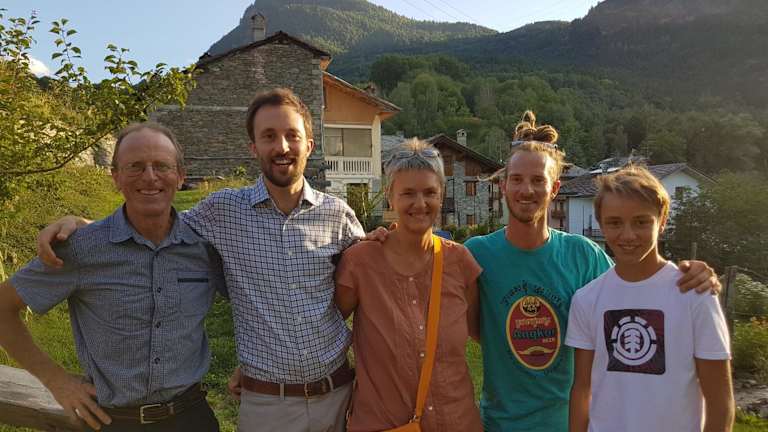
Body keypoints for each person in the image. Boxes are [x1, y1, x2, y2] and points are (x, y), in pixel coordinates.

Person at [36, 88, 363, 432]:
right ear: (253, 147)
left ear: (309, 145)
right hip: (268, 405)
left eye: (292, 135)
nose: (281, 147)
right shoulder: (222, 210)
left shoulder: (338, 214)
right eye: (268, 136)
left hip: (338, 394)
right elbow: (154, 225)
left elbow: (372, 280)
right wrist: (84, 225)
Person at [463, 111, 721, 432]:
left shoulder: (584, 255)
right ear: (503, 185)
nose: (526, 189)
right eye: (516, 179)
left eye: (538, 180)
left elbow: (636, 292)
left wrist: (694, 274)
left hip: (571, 424)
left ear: (555, 188)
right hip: (500, 424)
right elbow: (475, 329)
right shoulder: (476, 254)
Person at [0, 122, 225, 431]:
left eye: (162, 166)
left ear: (180, 176)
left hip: (192, 417)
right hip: (114, 421)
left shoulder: (205, 246)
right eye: (135, 167)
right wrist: (56, 381)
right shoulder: (81, 248)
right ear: (116, 177)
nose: (150, 176)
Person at [566, 165, 734, 432]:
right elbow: (582, 389)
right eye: (615, 222)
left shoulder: (695, 294)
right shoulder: (586, 299)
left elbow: (720, 402)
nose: (628, 235)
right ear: (601, 224)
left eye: (641, 222)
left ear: (662, 220)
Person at [335, 139, 482, 432]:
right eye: (408, 193)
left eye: (429, 192)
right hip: (383, 424)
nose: (420, 203)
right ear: (390, 196)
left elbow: (481, 334)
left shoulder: (460, 262)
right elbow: (325, 331)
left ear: (441, 195)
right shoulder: (360, 263)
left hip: (457, 422)